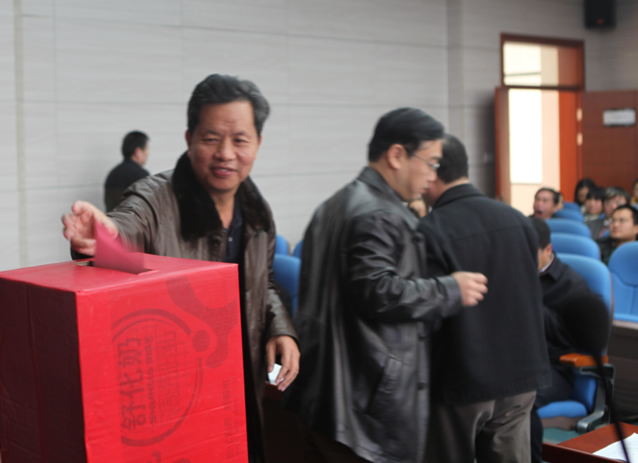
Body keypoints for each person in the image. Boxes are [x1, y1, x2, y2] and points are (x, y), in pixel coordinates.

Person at [63, 74, 299, 463]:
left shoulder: (258, 214)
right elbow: (127, 226)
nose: (226, 153)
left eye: (240, 140)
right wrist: (104, 236)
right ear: (189, 138)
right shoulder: (155, 199)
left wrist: (281, 329)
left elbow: (265, 283)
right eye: (211, 138)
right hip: (177, 396)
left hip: (241, 387)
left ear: (257, 143)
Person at [282, 108, 488, 463]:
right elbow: (377, 291)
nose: (433, 175)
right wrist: (450, 290)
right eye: (431, 162)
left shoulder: (333, 205)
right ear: (396, 155)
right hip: (363, 404)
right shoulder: (380, 214)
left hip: (327, 391)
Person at [419, 134, 550, 463]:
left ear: (433, 171)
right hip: (521, 376)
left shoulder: (429, 230)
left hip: (461, 379)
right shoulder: (518, 220)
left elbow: (428, 314)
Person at [528, 217, 591, 463]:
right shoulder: (513, 273)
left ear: (548, 250)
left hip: (553, 368)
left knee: (519, 400)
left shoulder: (572, 284)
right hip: (514, 359)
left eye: (529, 254)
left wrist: (528, 304)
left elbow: (573, 337)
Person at [104, 130, 151, 212]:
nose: (147, 153)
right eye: (146, 149)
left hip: (111, 219)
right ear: (138, 152)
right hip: (132, 220)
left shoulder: (112, 174)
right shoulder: (141, 175)